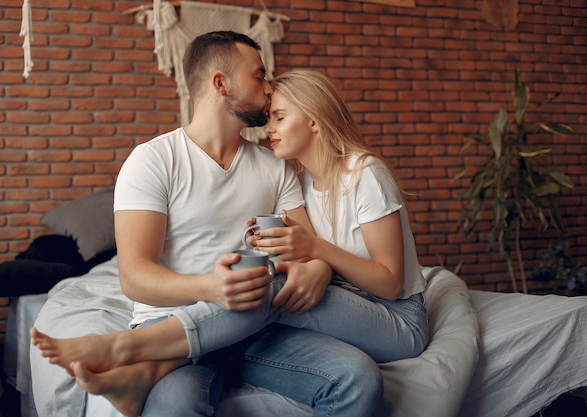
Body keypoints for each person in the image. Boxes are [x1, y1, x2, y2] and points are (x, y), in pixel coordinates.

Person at [31, 32, 384, 417]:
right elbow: (134, 277)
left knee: (358, 376)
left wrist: (316, 267)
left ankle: (138, 367)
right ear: (221, 83)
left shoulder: (275, 165)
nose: (270, 89)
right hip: (169, 327)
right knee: (174, 408)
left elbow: (304, 244)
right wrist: (210, 289)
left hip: (258, 327)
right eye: (260, 75)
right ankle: (137, 362)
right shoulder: (152, 161)